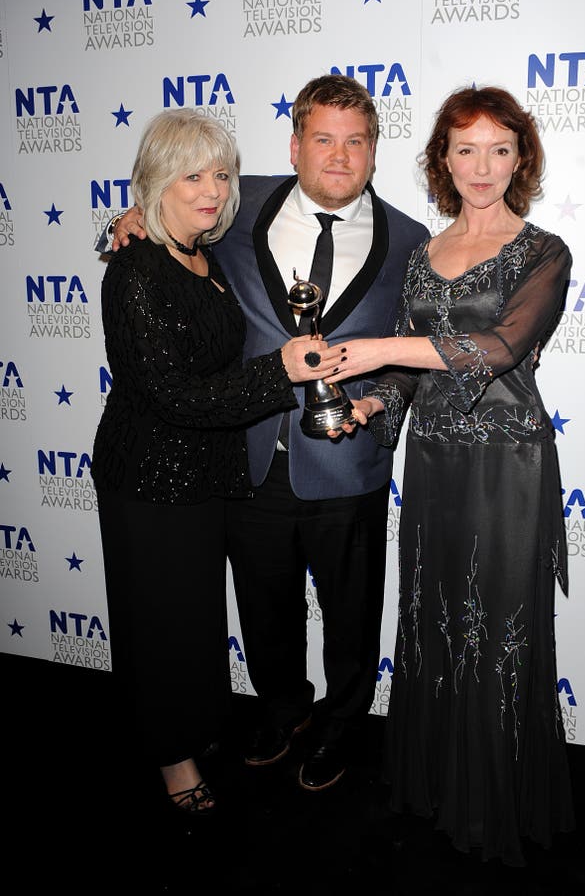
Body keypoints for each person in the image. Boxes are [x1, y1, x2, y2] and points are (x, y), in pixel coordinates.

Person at [107, 75, 427, 791]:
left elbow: (412, 353)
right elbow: (170, 206)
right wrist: (131, 218)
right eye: (323, 139)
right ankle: (283, 710)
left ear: (374, 150)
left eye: (356, 142)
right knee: (263, 605)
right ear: (295, 144)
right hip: (246, 456)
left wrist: (377, 405)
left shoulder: (411, 240)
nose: (339, 157)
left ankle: (343, 723)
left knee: (351, 613)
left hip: (347, 461)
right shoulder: (235, 201)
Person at [325, 86, 575, 864]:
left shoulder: (545, 252)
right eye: (465, 149)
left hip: (509, 464)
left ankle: (496, 803)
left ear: (520, 159)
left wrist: (382, 351)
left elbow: (498, 348)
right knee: (435, 624)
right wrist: (370, 401)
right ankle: (437, 787)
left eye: (500, 149)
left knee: (497, 629)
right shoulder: (420, 252)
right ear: (442, 158)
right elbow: (407, 373)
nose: (481, 166)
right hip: (432, 461)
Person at [91, 107, 342, 816]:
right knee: (158, 621)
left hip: (205, 476)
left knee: (196, 619)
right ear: (156, 182)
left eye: (221, 173)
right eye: (190, 174)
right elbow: (171, 394)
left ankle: (192, 728)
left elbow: (300, 182)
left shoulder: (212, 245)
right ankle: (171, 758)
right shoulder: (136, 270)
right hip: (148, 477)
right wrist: (281, 374)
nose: (210, 188)